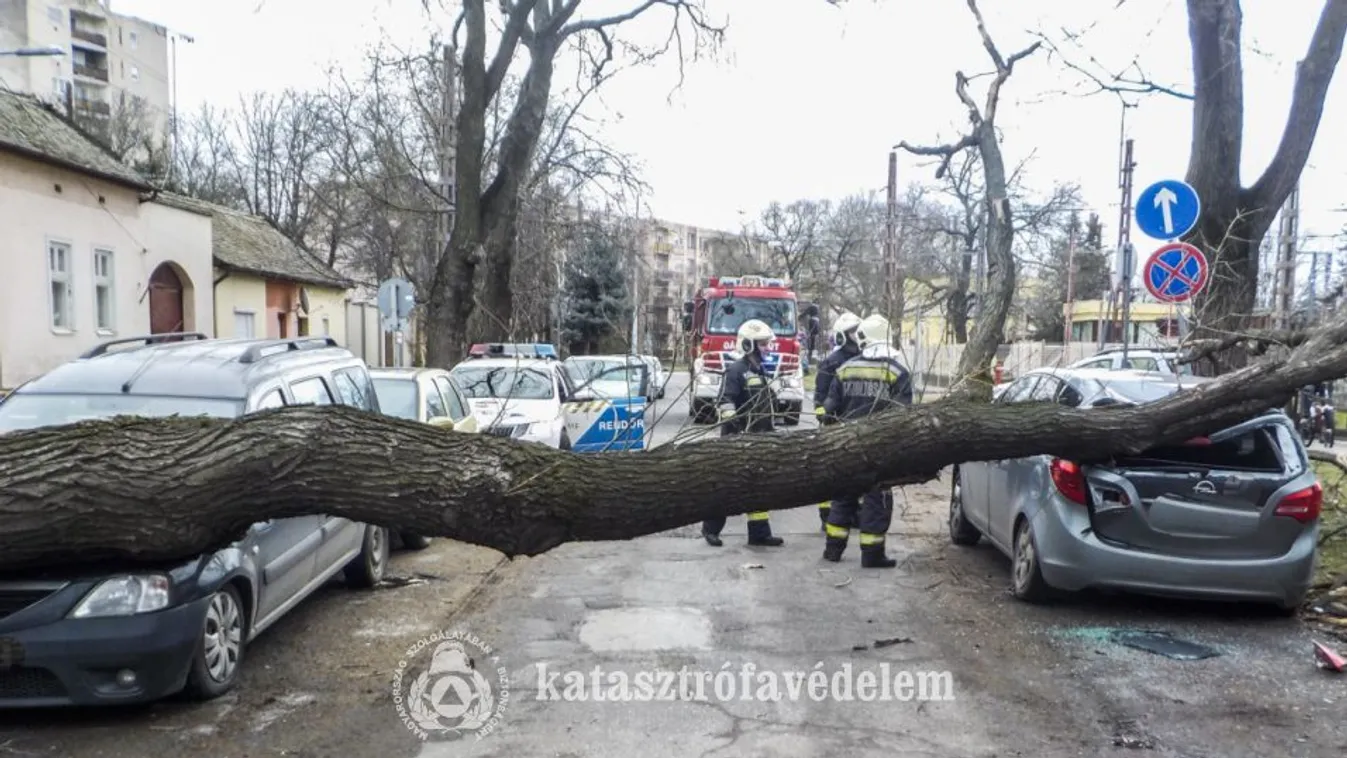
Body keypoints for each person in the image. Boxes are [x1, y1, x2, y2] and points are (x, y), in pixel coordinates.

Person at [822, 313, 913, 568]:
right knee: (877, 501)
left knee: (843, 497)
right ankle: (872, 555)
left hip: (847, 446)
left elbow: (829, 410)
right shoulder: (897, 373)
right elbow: (903, 417)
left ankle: (833, 549)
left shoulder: (845, 369)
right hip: (880, 450)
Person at [701, 319, 786, 548]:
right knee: (728, 488)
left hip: (759, 438)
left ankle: (759, 533)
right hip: (736, 441)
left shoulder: (760, 370)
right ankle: (710, 529)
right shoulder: (736, 370)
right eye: (763, 344)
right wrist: (735, 431)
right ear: (749, 345)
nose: (768, 348)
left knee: (758, 487)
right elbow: (725, 401)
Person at [810, 312, 862, 531]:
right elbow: (820, 397)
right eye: (853, 332)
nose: (857, 335)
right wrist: (826, 418)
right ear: (843, 335)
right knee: (831, 472)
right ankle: (827, 515)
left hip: (855, 424)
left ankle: (853, 514)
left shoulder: (864, 357)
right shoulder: (831, 362)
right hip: (835, 424)